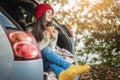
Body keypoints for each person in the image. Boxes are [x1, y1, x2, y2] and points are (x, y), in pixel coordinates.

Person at [27, 4, 91, 80]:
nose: (51, 14)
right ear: (41, 13)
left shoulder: (53, 30)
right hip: (35, 61)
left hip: (47, 62)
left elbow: (52, 50)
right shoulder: (30, 29)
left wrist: (53, 40)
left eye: (52, 12)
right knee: (46, 49)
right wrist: (46, 40)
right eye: (48, 12)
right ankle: (70, 66)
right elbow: (35, 50)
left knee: (52, 62)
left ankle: (62, 74)